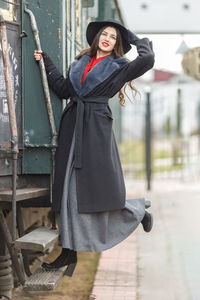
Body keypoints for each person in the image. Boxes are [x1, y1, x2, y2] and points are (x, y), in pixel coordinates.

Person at [34, 19, 155, 276]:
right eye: (105, 34)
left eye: (113, 37)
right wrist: (46, 62)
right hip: (73, 128)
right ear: (97, 37)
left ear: (116, 44)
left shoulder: (119, 66)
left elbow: (147, 59)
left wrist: (132, 37)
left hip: (96, 130)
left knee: (97, 190)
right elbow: (64, 89)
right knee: (68, 190)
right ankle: (68, 252)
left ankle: (136, 211)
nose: (107, 39)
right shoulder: (79, 64)